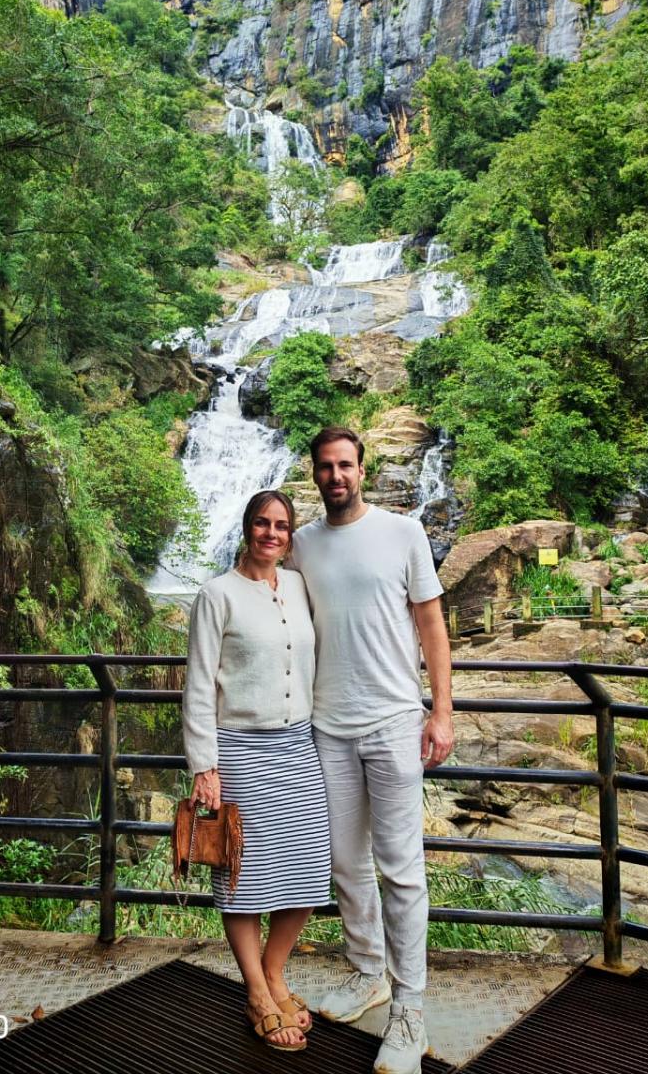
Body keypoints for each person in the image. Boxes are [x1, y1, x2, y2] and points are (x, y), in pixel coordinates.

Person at [284, 426, 454, 1074]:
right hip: (327, 725)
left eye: (345, 465)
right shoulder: (302, 545)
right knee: (345, 863)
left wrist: (442, 711)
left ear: (362, 469)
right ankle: (368, 972)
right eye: (325, 467)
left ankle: (410, 1008)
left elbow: (431, 623)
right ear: (315, 474)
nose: (336, 476)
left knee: (401, 869)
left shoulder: (403, 532)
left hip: (393, 723)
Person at [183, 489, 332, 1053]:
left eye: (282, 525)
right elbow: (199, 684)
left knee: (310, 867)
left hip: (299, 745)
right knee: (241, 875)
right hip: (240, 751)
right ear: (246, 529)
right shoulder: (216, 594)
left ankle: (274, 971)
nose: (272, 533)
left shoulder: (297, 586)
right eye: (263, 523)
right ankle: (256, 990)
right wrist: (205, 766)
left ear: (290, 536)